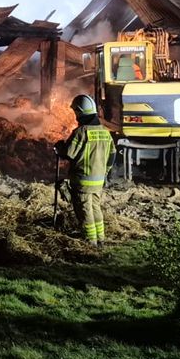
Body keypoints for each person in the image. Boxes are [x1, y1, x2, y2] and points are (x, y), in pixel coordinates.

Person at [54, 94, 114, 247]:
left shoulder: (81, 132)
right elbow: (112, 156)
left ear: (80, 113)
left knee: (85, 211)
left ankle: (90, 243)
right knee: (95, 208)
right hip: (99, 180)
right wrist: (105, 172)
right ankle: (101, 238)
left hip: (83, 181)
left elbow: (69, 153)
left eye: (76, 113)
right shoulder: (105, 132)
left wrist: (60, 147)